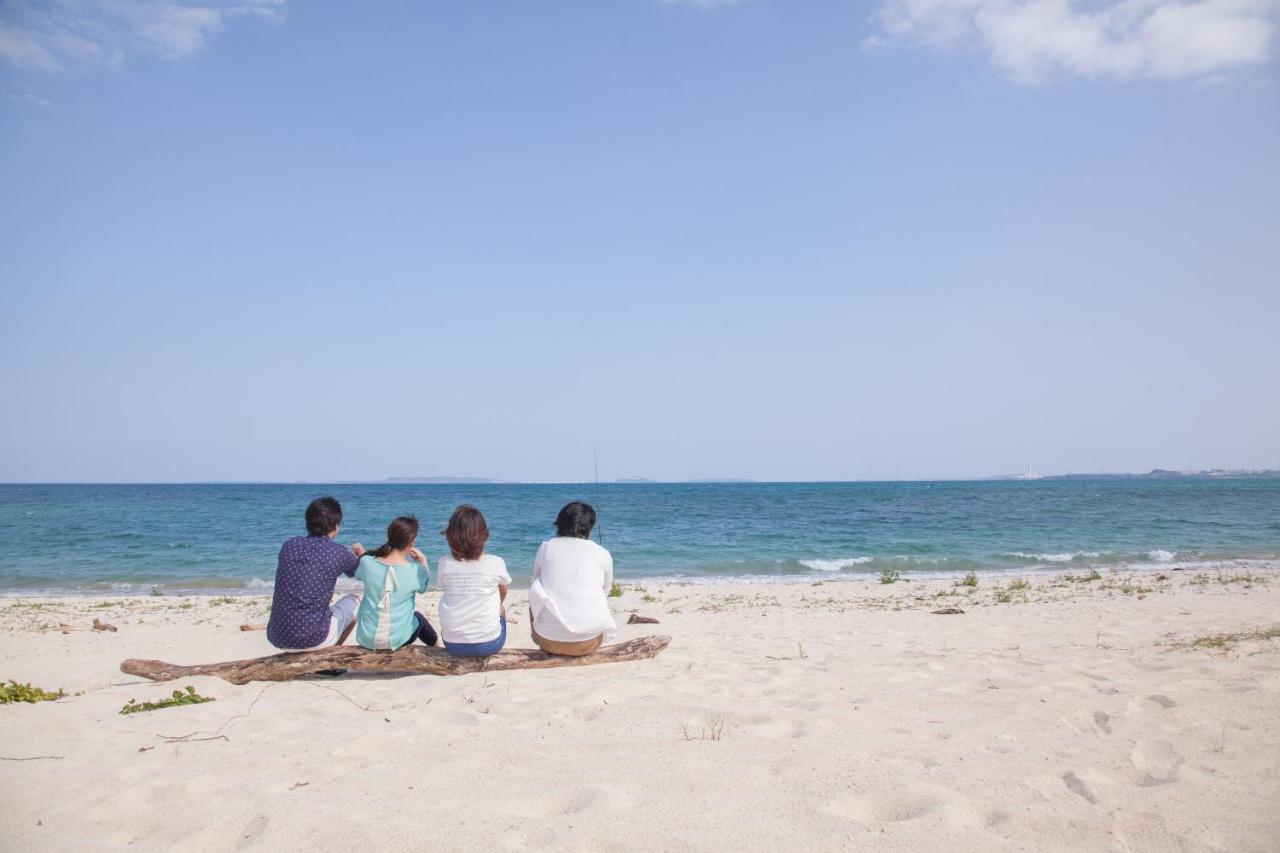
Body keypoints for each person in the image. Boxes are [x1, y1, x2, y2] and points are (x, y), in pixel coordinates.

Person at [267, 496, 365, 652]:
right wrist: (363, 555)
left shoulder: (289, 545)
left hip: (278, 637)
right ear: (336, 525)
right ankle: (330, 658)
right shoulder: (339, 552)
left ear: (308, 523)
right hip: (314, 638)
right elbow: (361, 573)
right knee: (354, 601)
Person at [528, 501, 616, 656]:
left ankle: (551, 633)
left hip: (548, 642)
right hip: (588, 643)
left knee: (537, 587)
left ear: (560, 522)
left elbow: (536, 580)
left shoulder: (546, 548)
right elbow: (605, 590)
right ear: (590, 526)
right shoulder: (602, 553)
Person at [436, 505, 511, 657]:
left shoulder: (444, 562)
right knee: (501, 609)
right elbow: (503, 590)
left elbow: (443, 586)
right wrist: (498, 607)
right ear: (485, 535)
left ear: (450, 536)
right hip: (489, 644)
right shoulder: (496, 562)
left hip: (452, 644)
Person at [354, 515, 438, 650]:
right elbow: (423, 588)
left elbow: (360, 574)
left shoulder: (367, 563)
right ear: (413, 541)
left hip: (367, 639)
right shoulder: (415, 570)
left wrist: (363, 553)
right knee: (418, 618)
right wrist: (423, 561)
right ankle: (437, 648)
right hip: (397, 640)